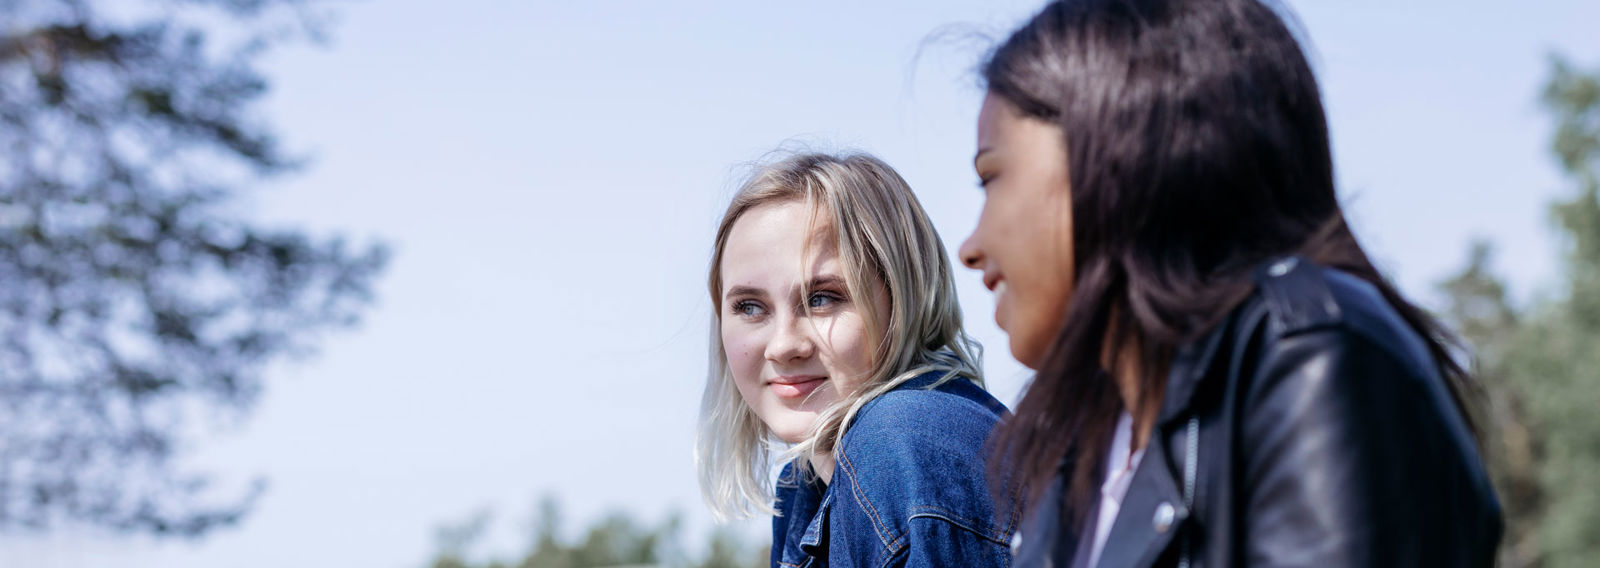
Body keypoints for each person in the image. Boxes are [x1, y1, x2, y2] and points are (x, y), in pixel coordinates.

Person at [955, 1, 1503, 566]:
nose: (970, 248)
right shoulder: (1088, 437)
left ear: (1123, 155)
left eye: (990, 177)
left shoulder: (1312, 363)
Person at [696, 152, 1015, 567]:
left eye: (823, 299)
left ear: (903, 299)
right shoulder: (804, 483)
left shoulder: (901, 442)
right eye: (750, 307)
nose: (783, 345)